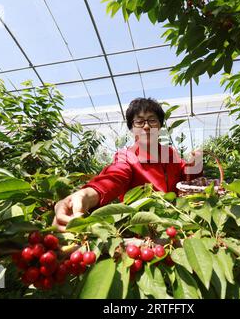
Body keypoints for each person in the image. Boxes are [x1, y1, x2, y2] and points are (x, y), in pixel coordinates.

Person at [53, 97, 203, 231]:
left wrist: (195, 164)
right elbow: (114, 177)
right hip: (141, 228)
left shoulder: (170, 153)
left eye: (152, 120)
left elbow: (186, 178)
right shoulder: (126, 156)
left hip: (176, 221)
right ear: (132, 128)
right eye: (139, 121)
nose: (146, 126)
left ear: (160, 125)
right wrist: (86, 194)